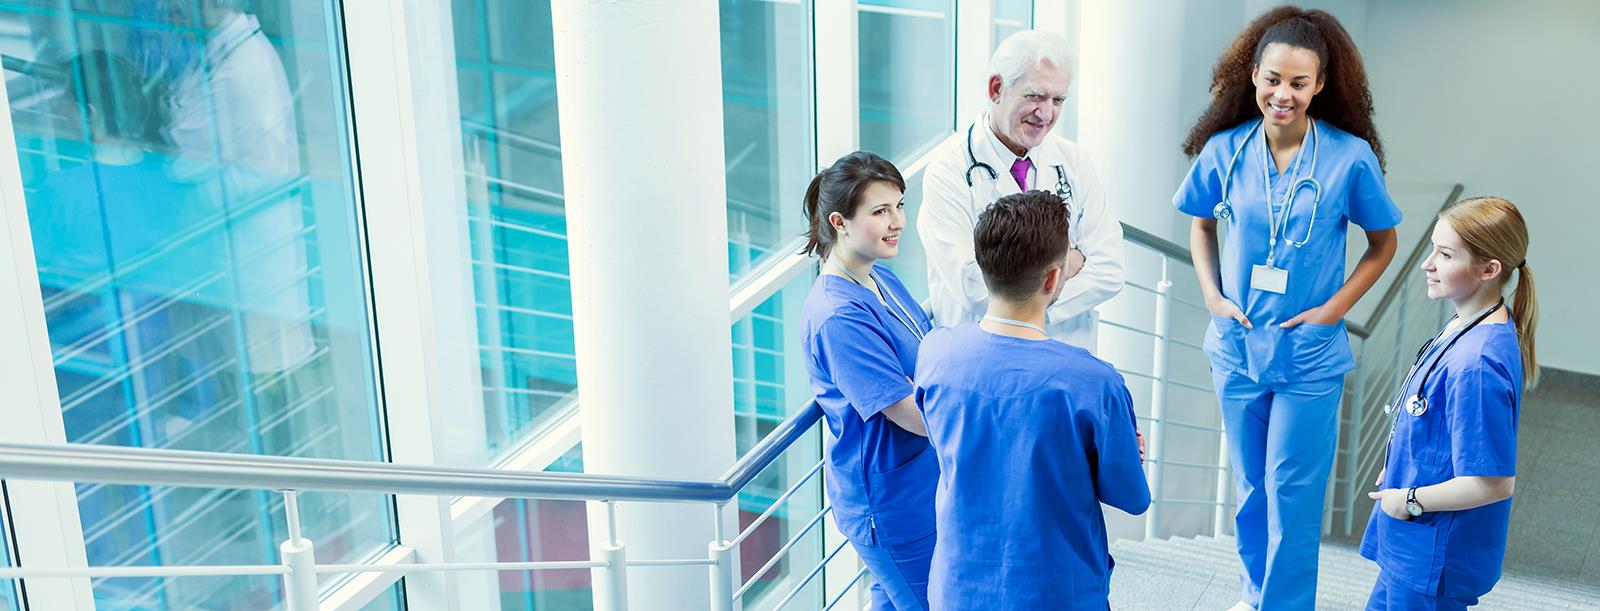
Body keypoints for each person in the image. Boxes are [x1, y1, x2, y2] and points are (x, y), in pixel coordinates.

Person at [1171, 7, 1403, 610]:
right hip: (1238, 347)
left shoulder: (1349, 158)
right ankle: (1256, 597)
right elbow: (1200, 225)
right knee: (1250, 491)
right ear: (1252, 75)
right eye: (1273, 79)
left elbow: (1384, 245)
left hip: (1309, 356)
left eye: (1299, 83)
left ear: (1320, 85)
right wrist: (1213, 296)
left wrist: (1333, 310)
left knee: (1293, 495)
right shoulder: (1224, 150)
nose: (1284, 94)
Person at [916, 191, 1149, 609]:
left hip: (959, 590)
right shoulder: (1094, 382)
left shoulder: (936, 353)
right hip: (1057, 591)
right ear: (1053, 279)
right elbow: (1130, 497)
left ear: (984, 267)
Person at [1360, 197, 1537, 610]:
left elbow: (1491, 482)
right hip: (1412, 547)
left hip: (1431, 554)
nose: (1427, 263)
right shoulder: (1468, 322)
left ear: (1489, 269)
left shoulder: (1476, 363)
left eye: (1444, 254)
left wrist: (1408, 499)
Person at [919, 29, 1123, 352]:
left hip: (1063, 358)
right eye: (1035, 96)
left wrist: (1023, 297)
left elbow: (1110, 268)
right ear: (996, 88)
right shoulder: (948, 173)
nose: (1046, 114)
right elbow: (973, 287)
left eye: (1058, 100)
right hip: (984, 361)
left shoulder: (1073, 162)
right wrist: (1067, 264)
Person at [800, 151, 936, 610]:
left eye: (899, 205)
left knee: (894, 597)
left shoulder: (881, 278)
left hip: (920, 481)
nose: (897, 221)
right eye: (880, 211)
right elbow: (906, 411)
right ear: (839, 221)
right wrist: (995, 427)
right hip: (891, 502)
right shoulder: (838, 317)